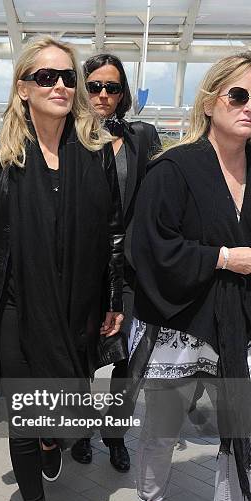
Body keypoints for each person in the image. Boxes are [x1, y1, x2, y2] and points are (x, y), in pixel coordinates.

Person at [0, 35, 124, 501]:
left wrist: (114, 297)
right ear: (23, 88)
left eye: (66, 77)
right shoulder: (2, 153)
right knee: (26, 417)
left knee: (62, 413)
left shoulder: (96, 154)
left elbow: (113, 234)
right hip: (14, 306)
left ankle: (55, 443)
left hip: (76, 306)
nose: (59, 85)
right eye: (46, 77)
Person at [129, 52, 251, 501]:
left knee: (240, 440)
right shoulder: (173, 169)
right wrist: (223, 257)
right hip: (184, 322)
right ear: (210, 103)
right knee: (161, 429)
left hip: (243, 328)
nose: (249, 108)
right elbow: (148, 248)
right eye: (240, 95)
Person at [71, 53, 161, 471]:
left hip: (132, 268)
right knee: (83, 354)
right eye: (94, 86)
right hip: (84, 267)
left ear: (123, 93)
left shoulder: (142, 136)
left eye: (112, 87)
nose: (103, 95)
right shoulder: (69, 135)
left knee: (129, 360)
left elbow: (163, 193)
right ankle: (81, 430)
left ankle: (115, 434)